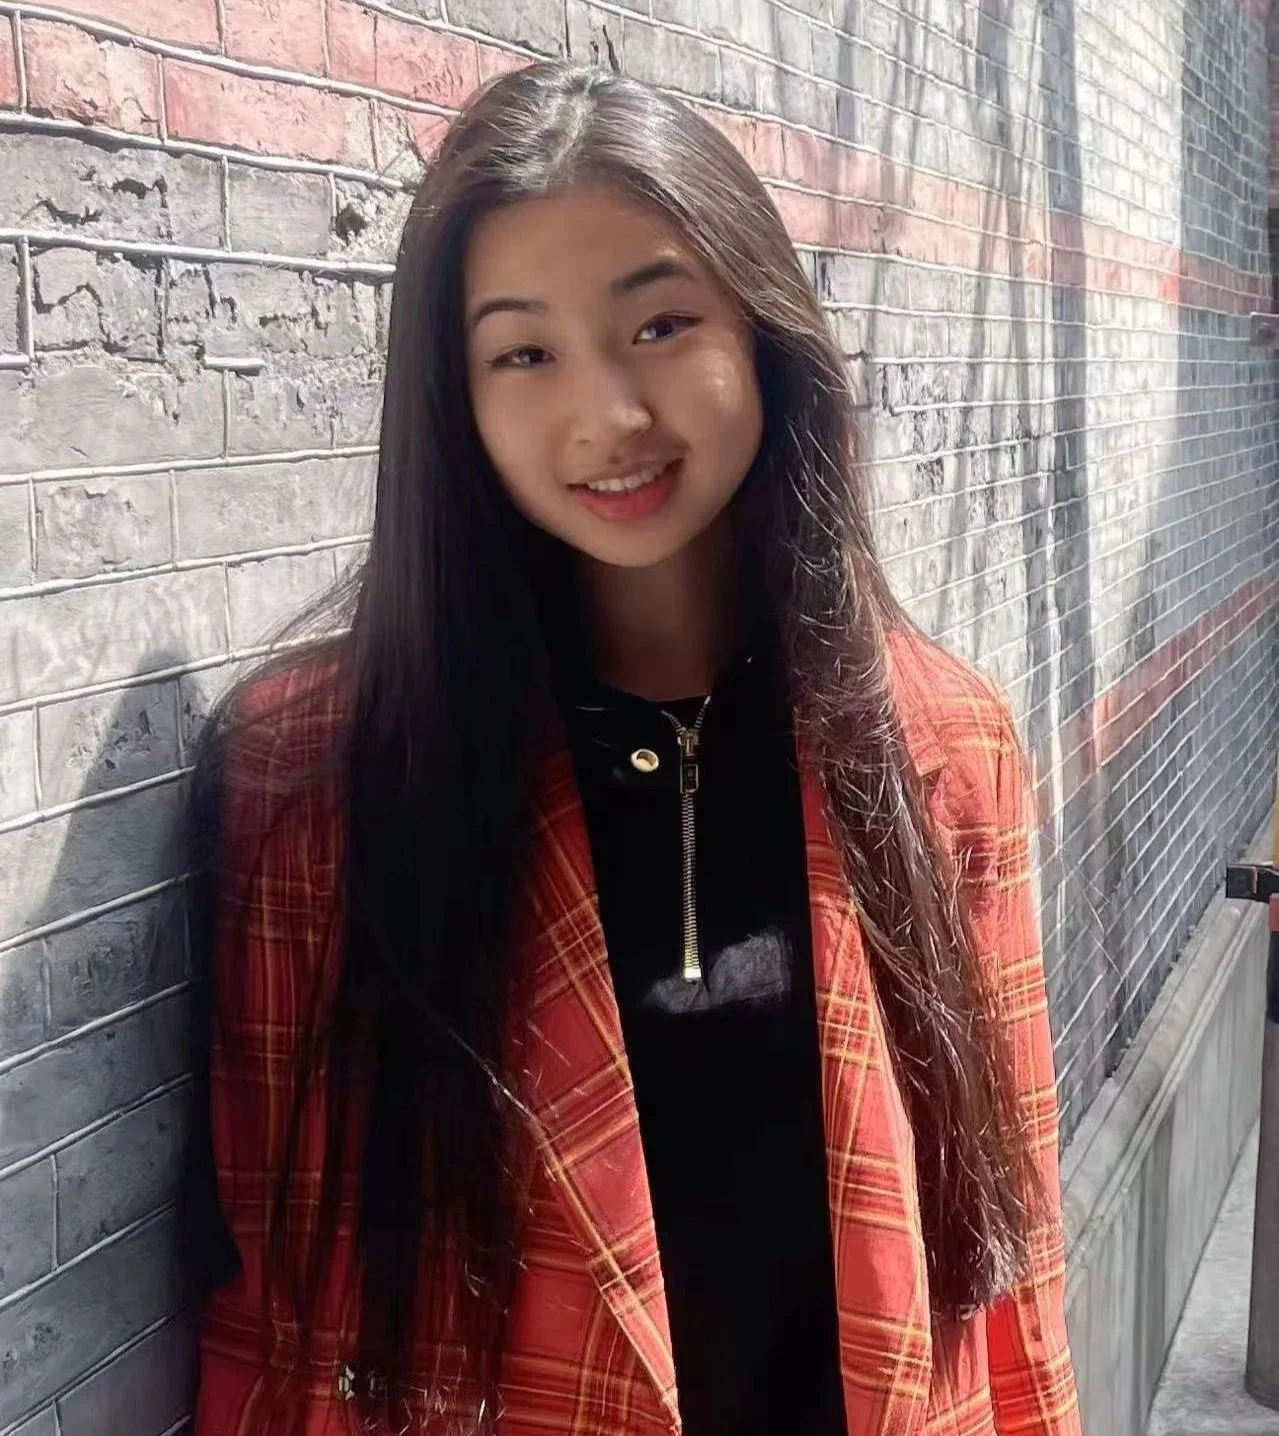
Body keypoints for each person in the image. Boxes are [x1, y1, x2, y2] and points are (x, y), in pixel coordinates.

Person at [183, 60, 1081, 1436]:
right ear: (455, 398)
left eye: (659, 324)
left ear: (760, 331)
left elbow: (1006, 1256)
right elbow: (277, 1302)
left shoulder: (943, 745)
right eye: (523, 352)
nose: (605, 413)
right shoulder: (318, 774)